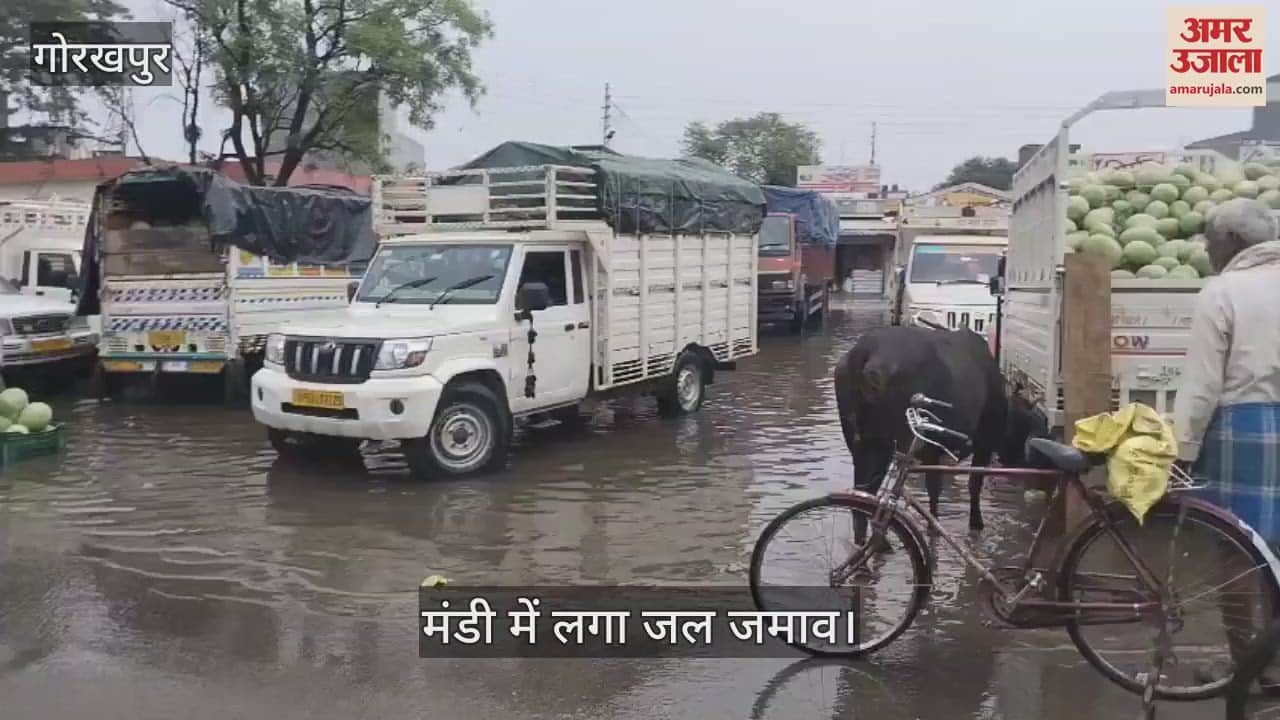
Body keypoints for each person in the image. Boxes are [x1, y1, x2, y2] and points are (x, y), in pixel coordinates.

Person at [1172, 197, 1280, 687]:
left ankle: (1246, 666)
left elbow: (1201, 383)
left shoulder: (1224, 290)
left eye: (1211, 241)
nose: (1208, 250)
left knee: (1238, 553)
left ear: (1233, 242)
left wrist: (1182, 449)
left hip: (1247, 425)